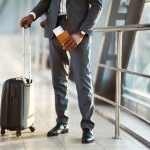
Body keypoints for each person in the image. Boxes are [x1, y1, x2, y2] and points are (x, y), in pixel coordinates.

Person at [20, 0, 102, 143]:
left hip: (78, 30)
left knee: (82, 78)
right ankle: (62, 122)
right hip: (55, 28)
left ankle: (88, 126)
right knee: (58, 78)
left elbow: (97, 5)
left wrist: (82, 32)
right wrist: (32, 16)